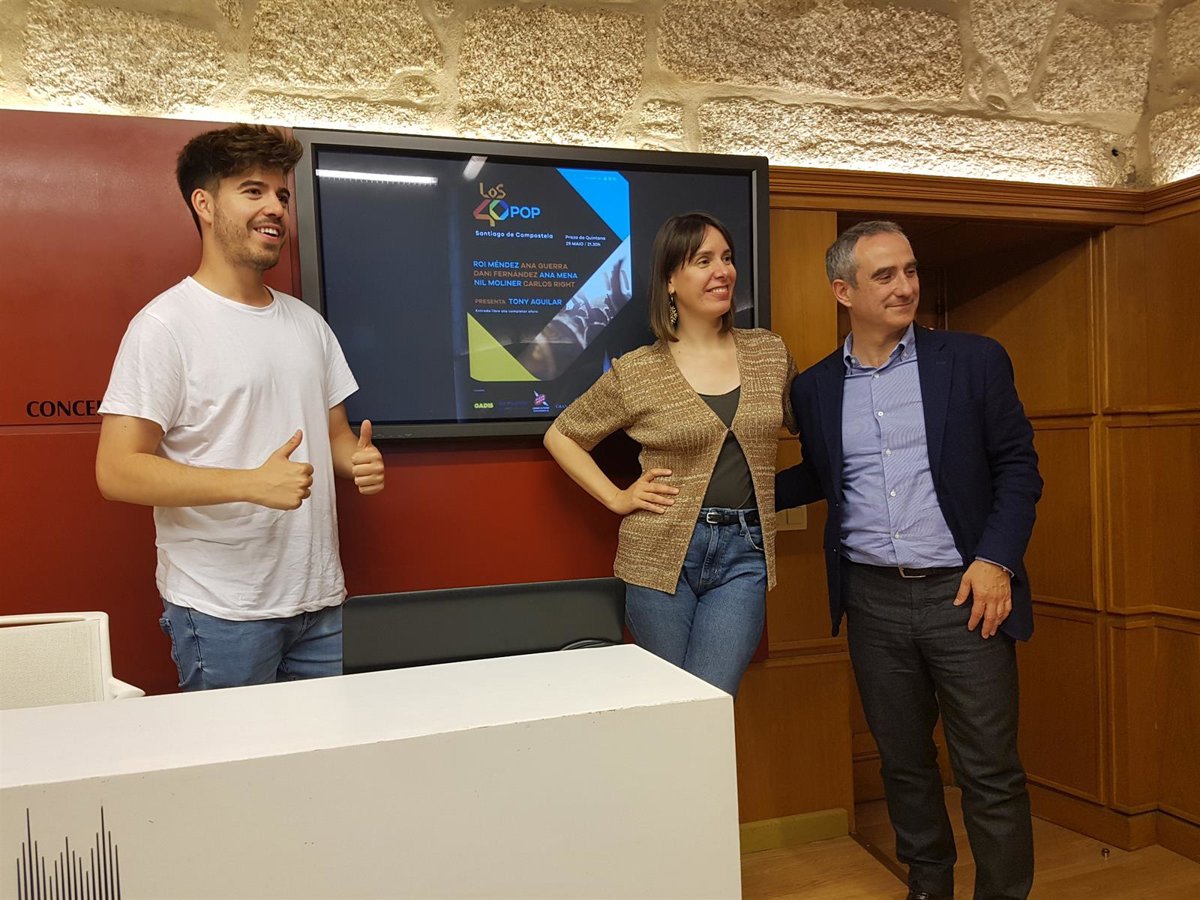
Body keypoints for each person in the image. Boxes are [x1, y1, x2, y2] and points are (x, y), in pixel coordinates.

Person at [776, 221, 1042, 900]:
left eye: (911, 270)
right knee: (903, 762)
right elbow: (821, 475)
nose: (905, 286)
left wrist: (996, 560)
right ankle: (928, 885)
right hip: (872, 601)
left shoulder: (974, 360)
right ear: (843, 291)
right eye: (885, 275)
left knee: (988, 770)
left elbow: (1018, 468)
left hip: (967, 595)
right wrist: (724, 491)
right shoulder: (815, 388)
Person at [95, 124, 385, 691]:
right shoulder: (164, 326)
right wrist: (250, 484)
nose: (275, 207)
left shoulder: (308, 324)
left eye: (281, 194)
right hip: (222, 609)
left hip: (319, 601)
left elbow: (334, 435)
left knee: (327, 746)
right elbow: (117, 470)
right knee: (233, 751)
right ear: (204, 204)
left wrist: (356, 461)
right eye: (253, 191)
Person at [544, 212, 795, 697]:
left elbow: (812, 418)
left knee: (710, 699)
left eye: (727, 258)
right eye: (703, 261)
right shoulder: (638, 370)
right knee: (673, 704)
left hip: (745, 553)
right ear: (670, 281)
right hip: (658, 555)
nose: (722, 271)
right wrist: (616, 497)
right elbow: (563, 435)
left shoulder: (769, 353)